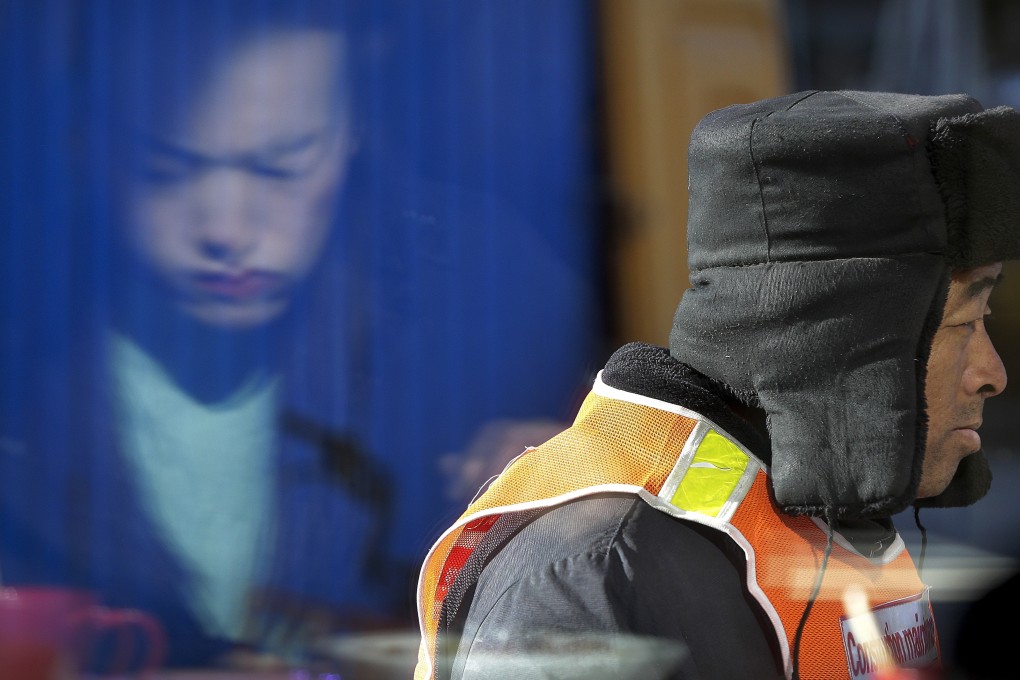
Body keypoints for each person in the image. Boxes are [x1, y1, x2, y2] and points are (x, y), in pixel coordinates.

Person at [414, 90, 1020, 680]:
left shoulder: (808, 502)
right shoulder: (594, 570)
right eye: (965, 320)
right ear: (844, 337)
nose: (992, 374)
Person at [0, 1, 413, 669]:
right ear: (85, 146)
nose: (227, 228)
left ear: (353, 132)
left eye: (283, 164)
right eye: (164, 168)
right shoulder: (20, 370)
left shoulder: (479, 328)